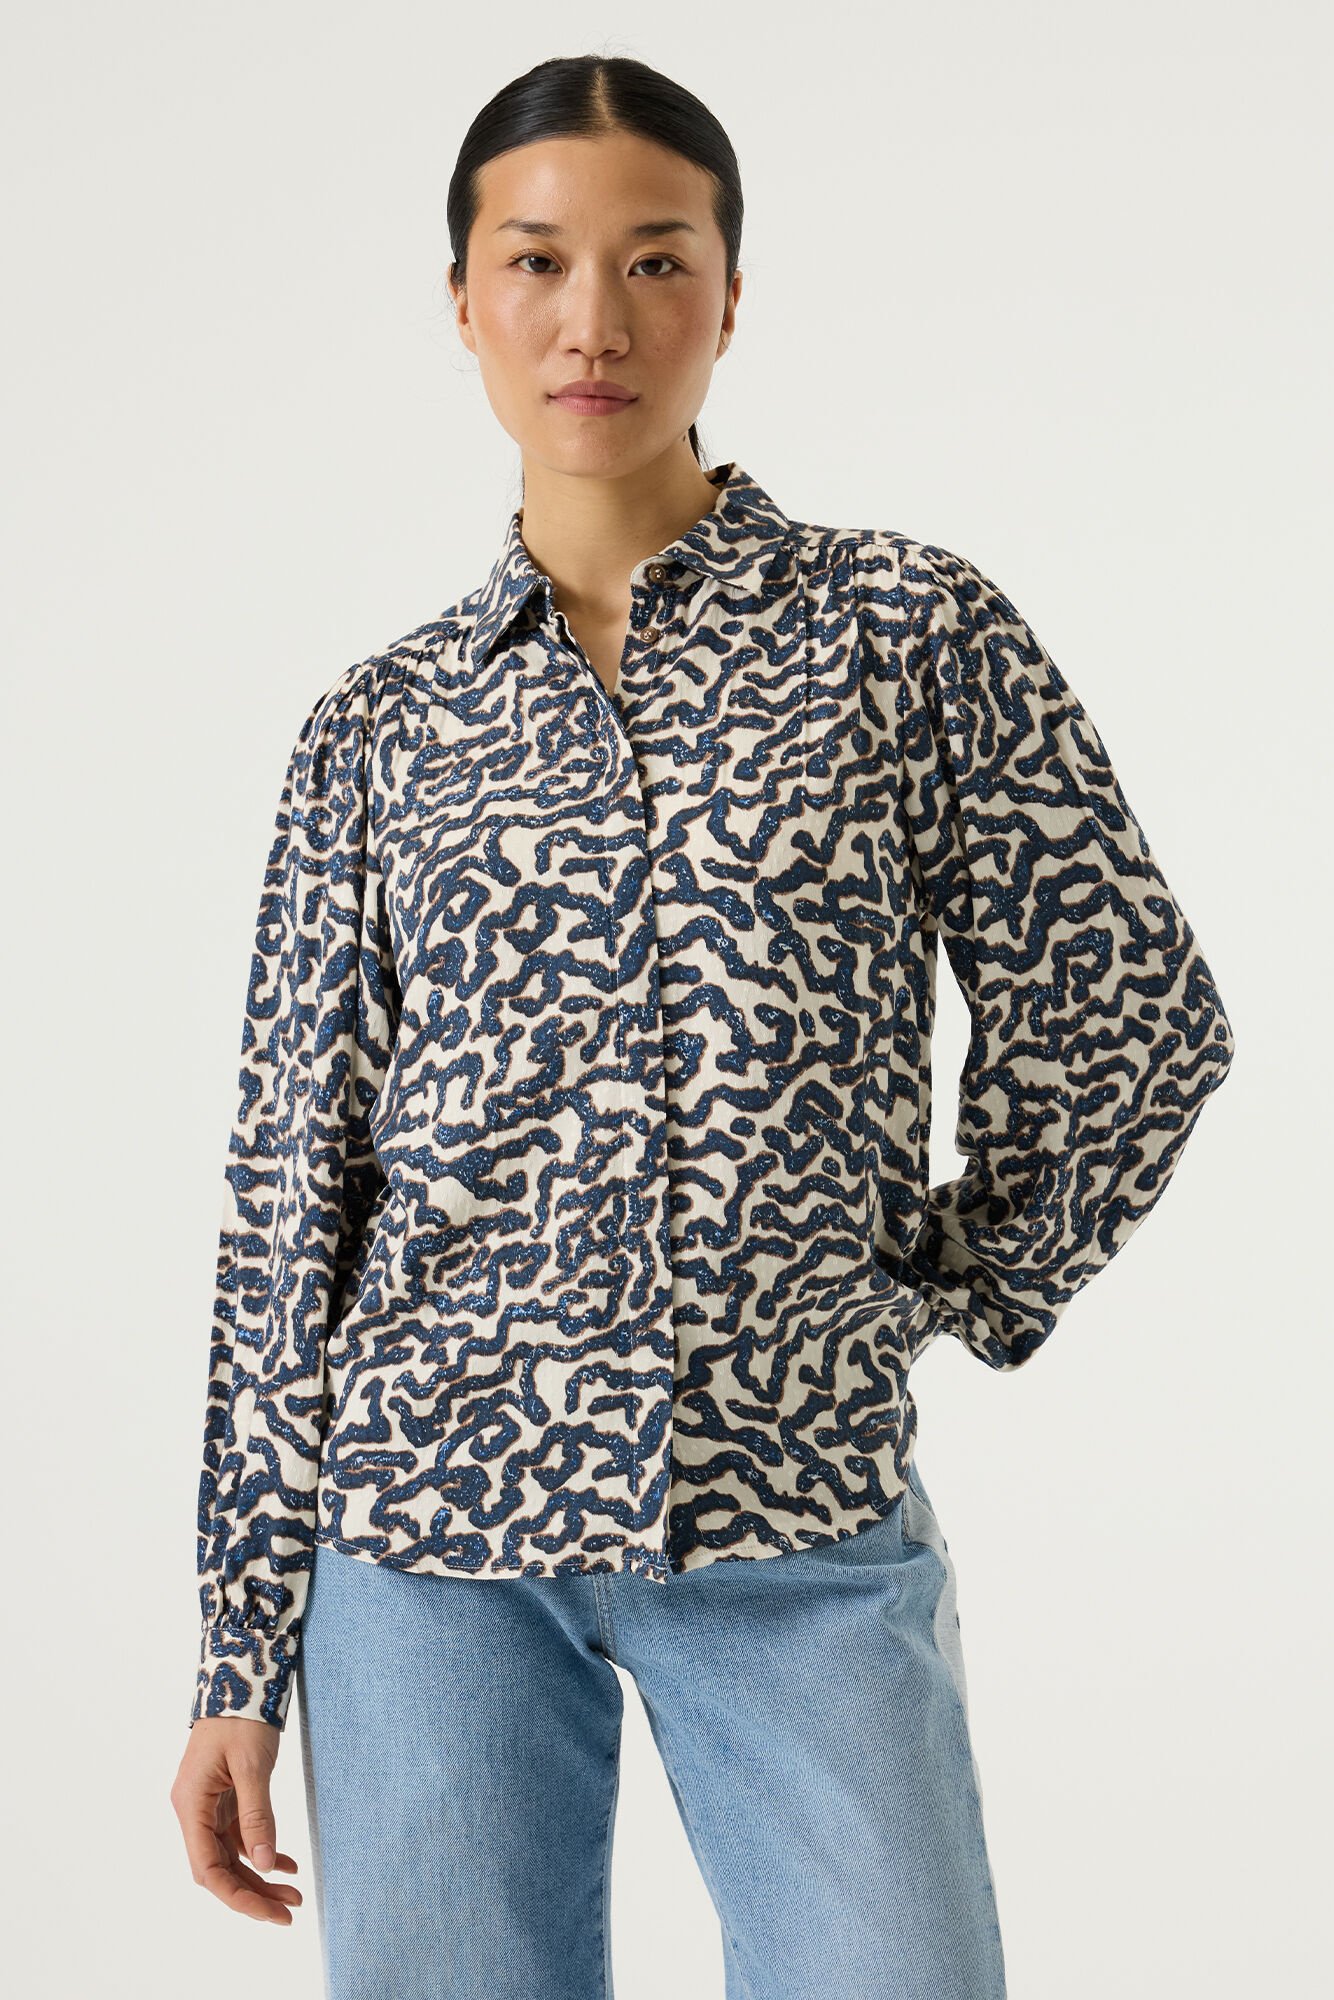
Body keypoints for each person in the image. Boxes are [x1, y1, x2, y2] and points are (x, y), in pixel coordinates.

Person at [170, 51, 1236, 2000]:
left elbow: (1132, 1014)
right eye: (536, 261)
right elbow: (288, 1194)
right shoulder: (378, 727)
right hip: (424, 1543)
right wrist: (238, 1651)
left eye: (655, 261)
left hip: (799, 1517)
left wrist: (929, 1280)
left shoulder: (904, 632)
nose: (593, 320)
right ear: (462, 299)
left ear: (732, 296)